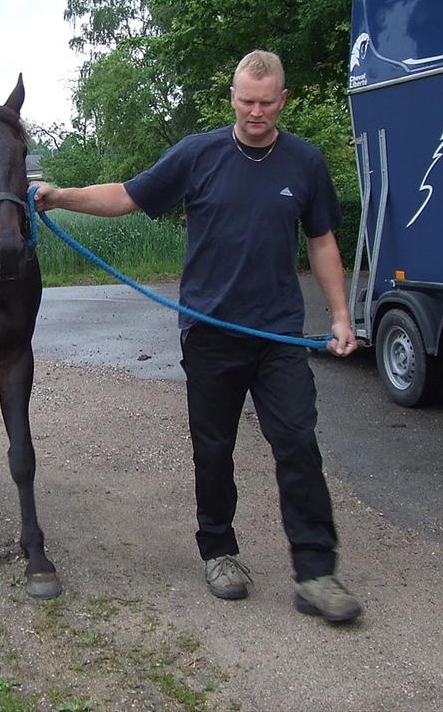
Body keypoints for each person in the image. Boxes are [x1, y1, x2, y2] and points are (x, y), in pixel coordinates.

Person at [33, 50, 362, 624]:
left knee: (298, 444)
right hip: (210, 332)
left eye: (266, 102)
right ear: (232, 98)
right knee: (214, 450)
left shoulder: (304, 163)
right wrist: (61, 196)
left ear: (282, 100)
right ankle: (220, 553)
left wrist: (339, 315)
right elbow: (129, 195)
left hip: (278, 333)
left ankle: (316, 572)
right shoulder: (199, 154)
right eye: (245, 100)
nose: (255, 112)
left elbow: (322, 242)